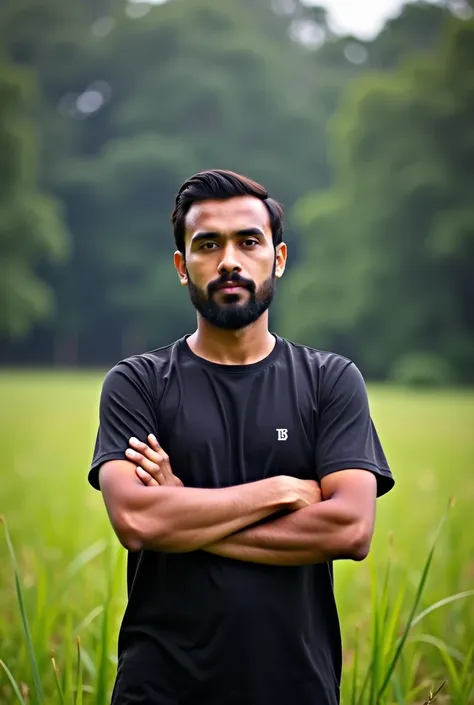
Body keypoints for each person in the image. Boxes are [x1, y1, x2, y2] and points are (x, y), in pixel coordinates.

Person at [89, 169, 394, 705]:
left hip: (294, 685)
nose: (229, 259)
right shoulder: (136, 383)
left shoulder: (329, 380)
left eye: (248, 241)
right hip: (159, 688)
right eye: (208, 244)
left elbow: (349, 528)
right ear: (184, 267)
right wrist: (279, 490)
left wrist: (180, 510)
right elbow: (137, 519)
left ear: (277, 258)